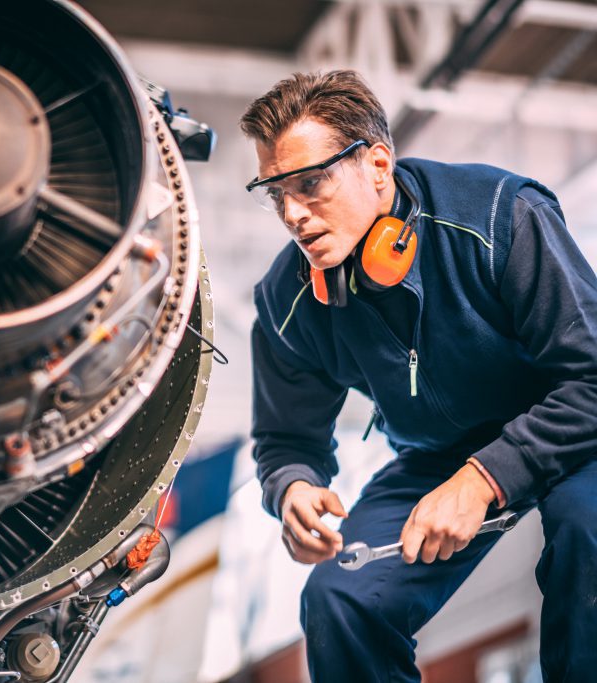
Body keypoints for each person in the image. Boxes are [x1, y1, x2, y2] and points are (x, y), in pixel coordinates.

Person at [240, 70, 597, 682]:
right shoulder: (288, 300)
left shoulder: (499, 217)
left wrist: (488, 476)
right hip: (437, 455)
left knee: (588, 529)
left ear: (378, 165)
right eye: (275, 193)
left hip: (566, 422)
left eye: (310, 183)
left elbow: (592, 378)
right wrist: (292, 488)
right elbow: (286, 442)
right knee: (340, 597)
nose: (293, 214)